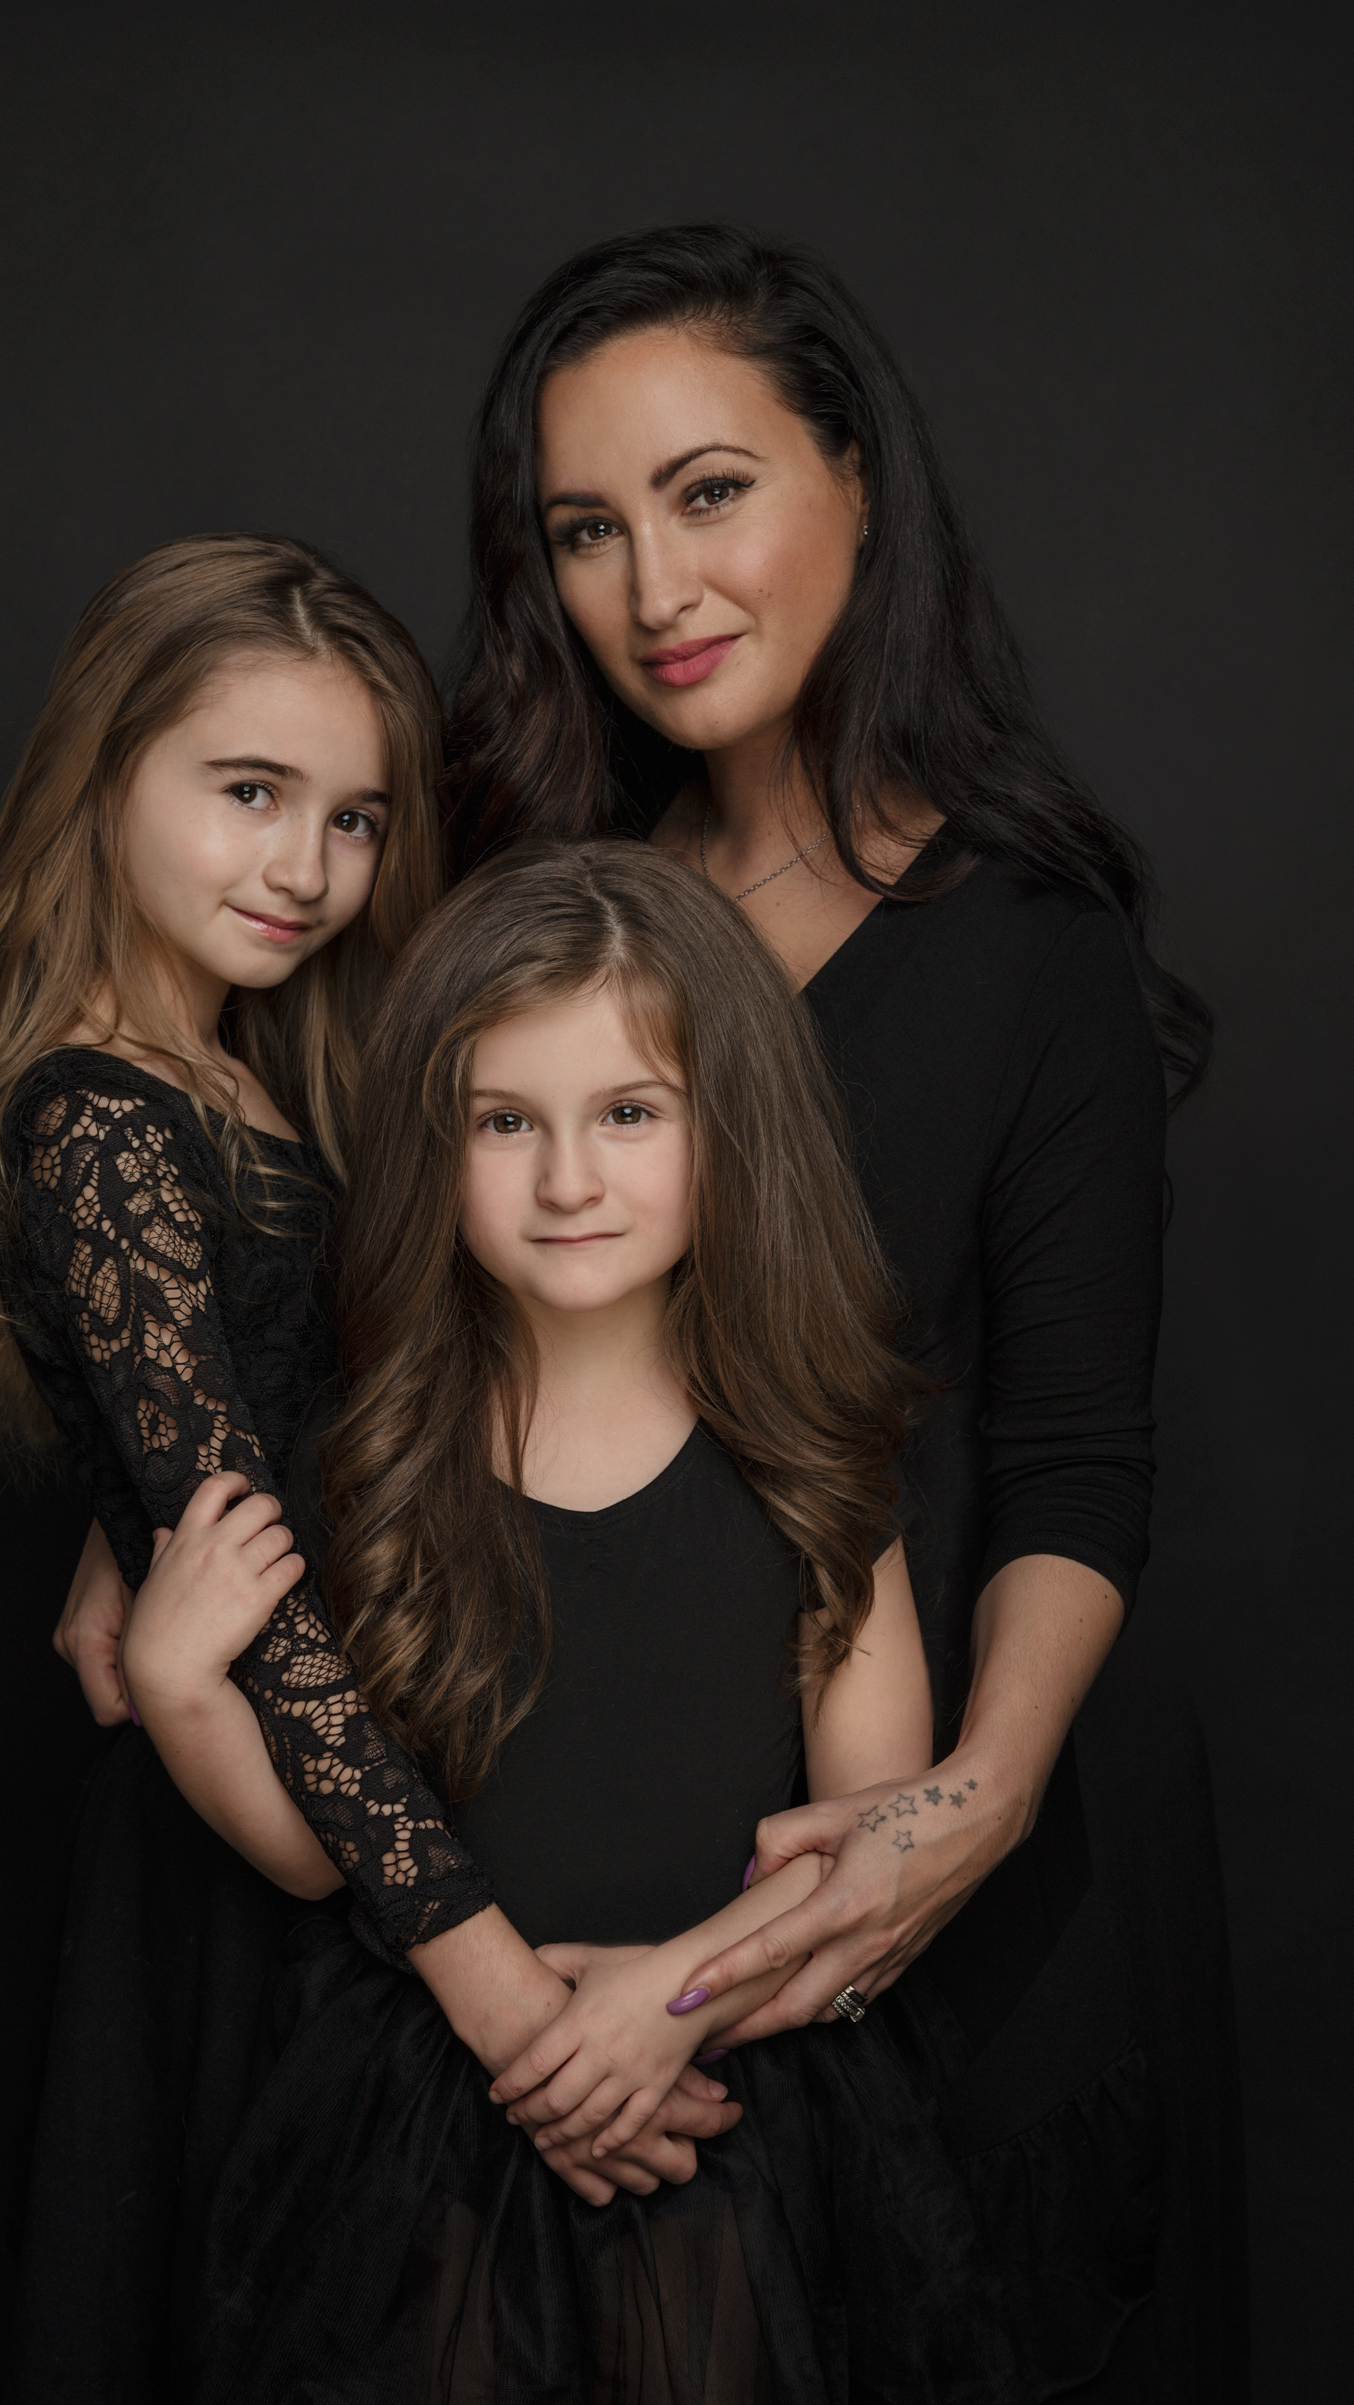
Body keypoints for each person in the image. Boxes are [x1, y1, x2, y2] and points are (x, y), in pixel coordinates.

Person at [435, 226, 1242, 2399]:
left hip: (928, 1911)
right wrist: (136, 1501)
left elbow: (1078, 1458)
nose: (651, 588)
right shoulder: (523, 914)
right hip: (552, 1913)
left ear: (855, 483)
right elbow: (370, 1316)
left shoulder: (1024, 946)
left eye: (709, 491)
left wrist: (954, 1812)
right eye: (583, 531)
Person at [0, 536, 742, 2402]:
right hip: (287, 1840)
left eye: (356, 817)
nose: (305, 868)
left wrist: (125, 1523)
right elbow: (262, 1610)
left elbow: (265, 1414)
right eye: (247, 794)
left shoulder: (256, 1068)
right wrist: (501, 1991)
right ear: (105, 773)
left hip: (373, 1786)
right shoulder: (104, 1121)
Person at [119, 837, 1032, 2402]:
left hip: (739, 2102)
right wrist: (179, 1685)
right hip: (439, 2115)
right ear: (435, 1138)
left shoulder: (817, 1451)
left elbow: (865, 1825)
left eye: (628, 1112)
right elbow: (315, 1847)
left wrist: (659, 2007)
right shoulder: (374, 1456)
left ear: (725, 1120)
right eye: (504, 1122)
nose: (566, 1179)